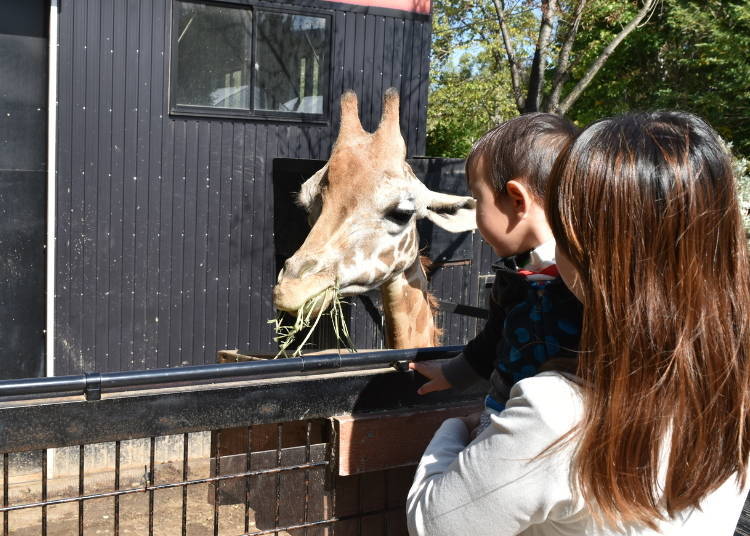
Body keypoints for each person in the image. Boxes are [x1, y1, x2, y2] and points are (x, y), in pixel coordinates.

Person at [406, 111, 750, 535]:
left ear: (592, 243)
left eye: (567, 220)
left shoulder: (556, 413)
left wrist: (454, 431)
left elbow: (435, 525)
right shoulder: (731, 388)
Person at [410, 113, 583, 431]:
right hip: (505, 413)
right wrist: (451, 373)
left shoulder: (588, 278)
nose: (476, 214)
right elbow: (493, 341)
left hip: (572, 422)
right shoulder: (513, 277)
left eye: (478, 199)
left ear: (517, 200)